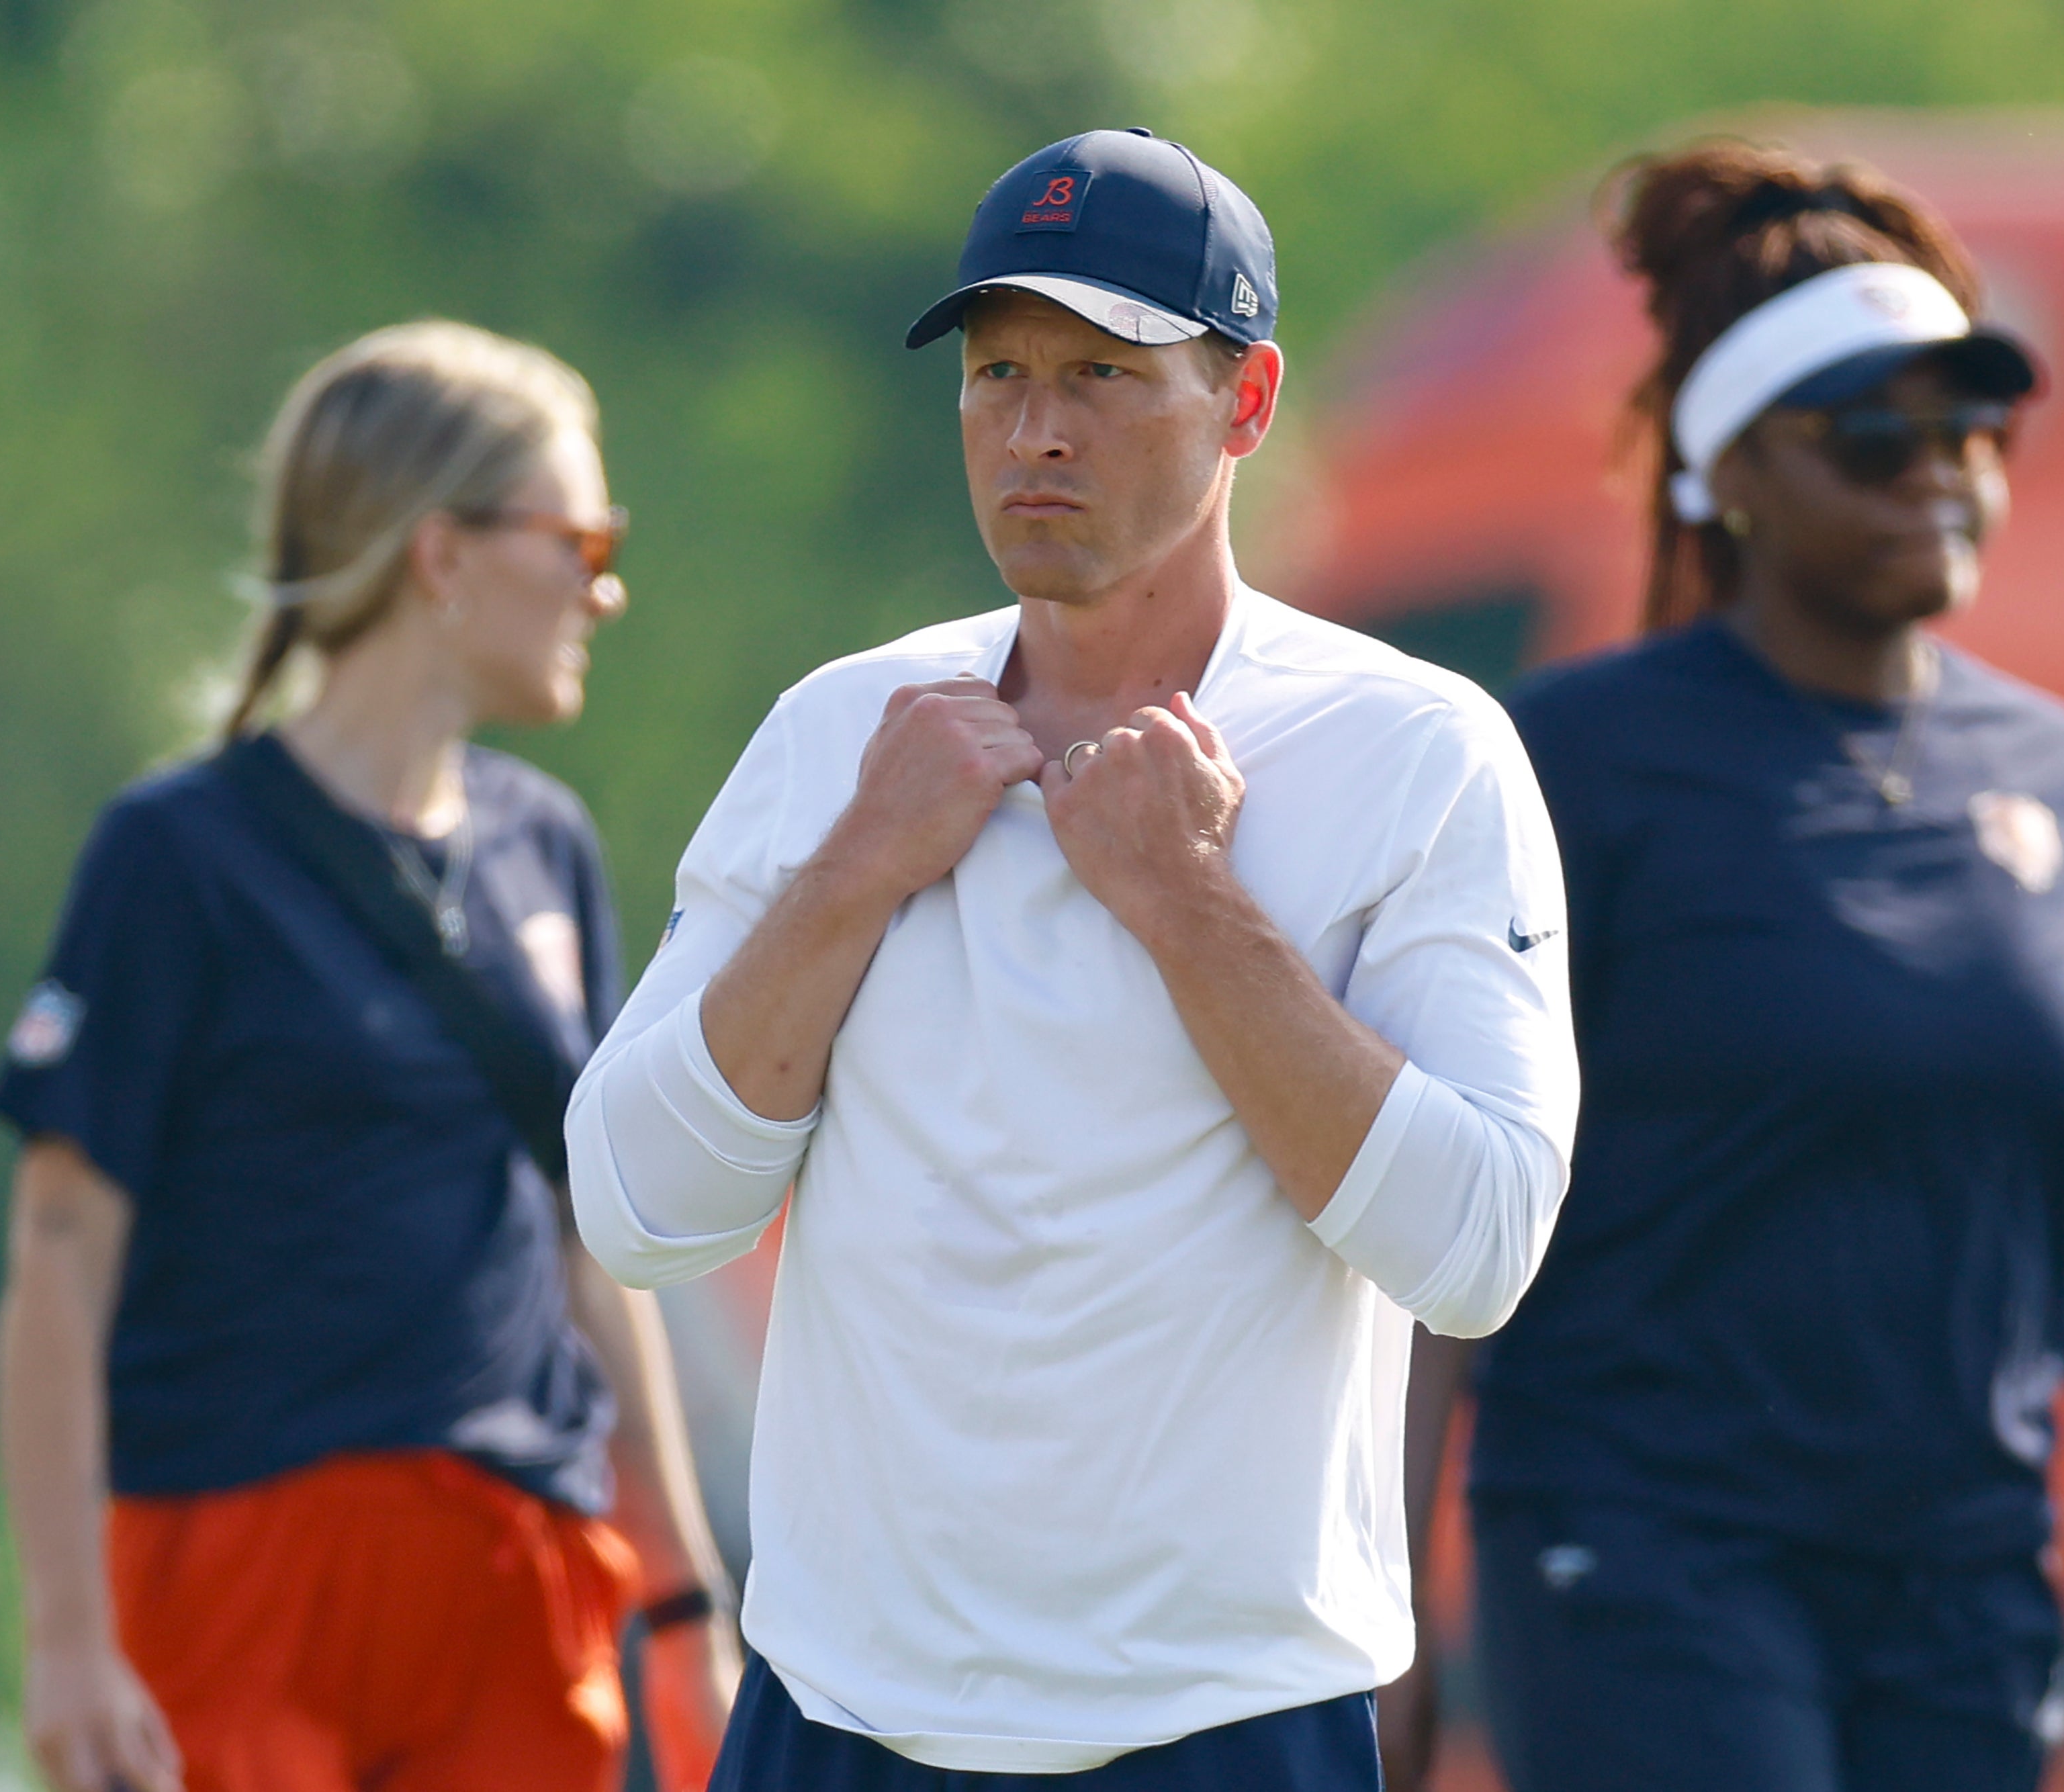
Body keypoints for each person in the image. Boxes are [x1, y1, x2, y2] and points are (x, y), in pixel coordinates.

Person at [567, 128, 1580, 1790]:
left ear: (1245, 404)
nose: (1034, 427)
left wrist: (1188, 906)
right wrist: (860, 864)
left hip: (1224, 1721)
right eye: (997, 373)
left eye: (1103, 374)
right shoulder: (846, 736)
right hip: (839, 1714)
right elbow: (636, 1207)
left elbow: (1474, 1248)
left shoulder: (1418, 749)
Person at [1376, 141, 2064, 1792]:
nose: (1942, 474)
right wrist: (1386, 1617)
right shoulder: (1568, 764)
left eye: (1972, 430)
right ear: (1729, 476)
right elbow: (1440, 1229)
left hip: (1960, 1586)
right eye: (1874, 437)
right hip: (1646, 1564)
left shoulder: (2063, 779)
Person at [0, 320, 736, 1792]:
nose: (607, 581)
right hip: (237, 1569)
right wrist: (67, 1632)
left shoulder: (546, 846)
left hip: (514, 1569)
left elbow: (595, 1250)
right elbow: (59, 1262)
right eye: (578, 535)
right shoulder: (178, 856)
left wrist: (680, 1598)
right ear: (439, 556)